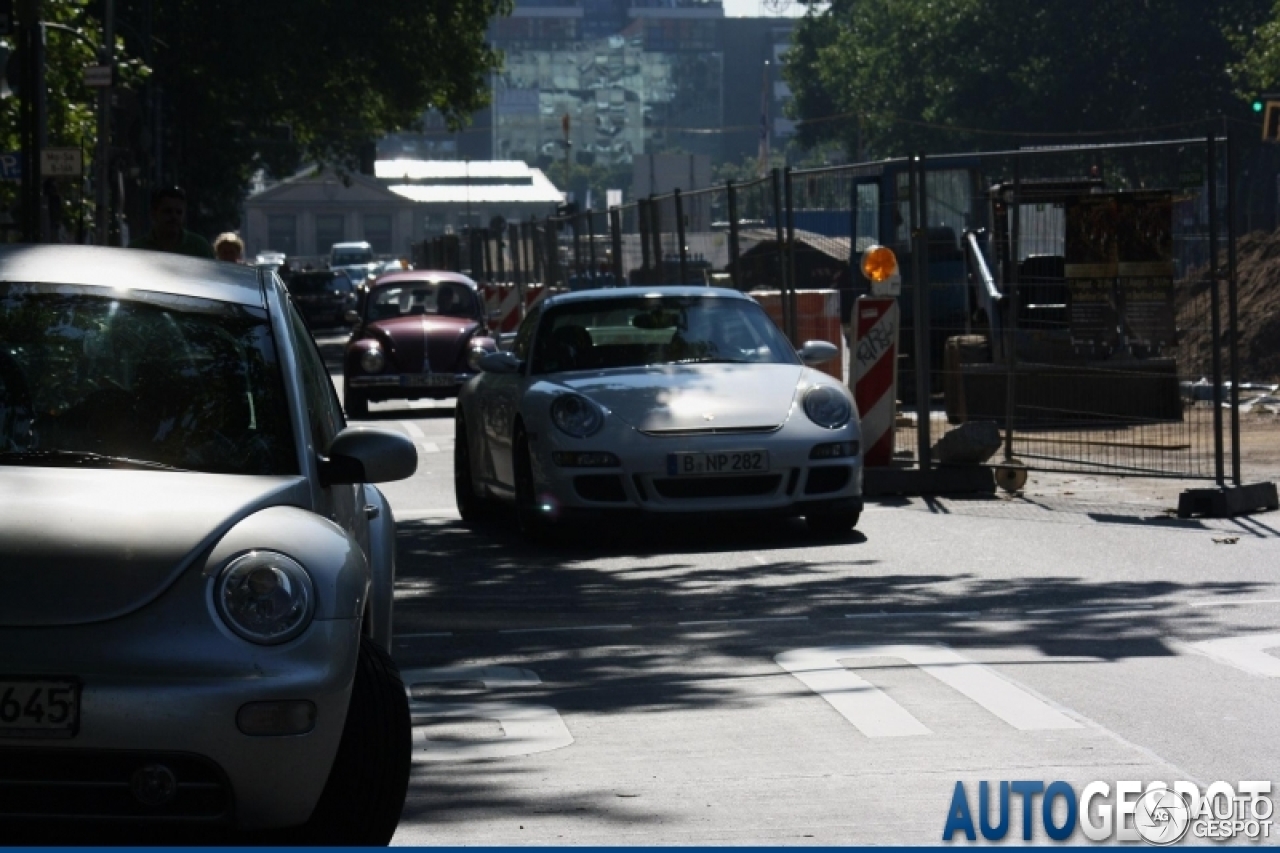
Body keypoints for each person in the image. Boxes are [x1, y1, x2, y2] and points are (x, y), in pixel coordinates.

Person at [128, 187, 215, 259]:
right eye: (167, 211)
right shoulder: (136, 249)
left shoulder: (199, 247)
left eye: (179, 212)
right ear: (153, 214)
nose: (174, 217)